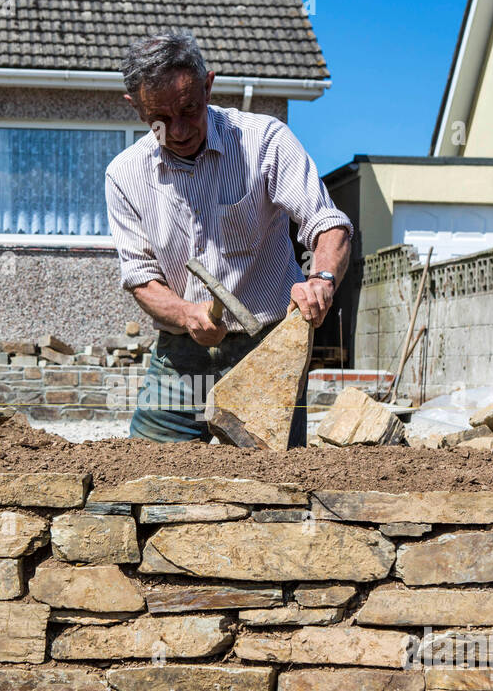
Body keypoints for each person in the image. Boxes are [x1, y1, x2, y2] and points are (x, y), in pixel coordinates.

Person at [105, 30, 353, 445]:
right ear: (135, 107)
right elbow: (141, 277)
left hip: (269, 349)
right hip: (182, 357)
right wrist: (187, 313)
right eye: (160, 120)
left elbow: (329, 224)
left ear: (208, 86)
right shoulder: (125, 174)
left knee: (272, 487)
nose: (179, 130)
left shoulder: (263, 141)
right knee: (144, 473)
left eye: (190, 109)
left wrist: (322, 280)